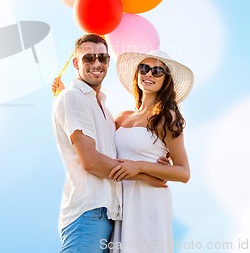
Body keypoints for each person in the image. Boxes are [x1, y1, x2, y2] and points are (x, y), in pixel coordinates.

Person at [52, 34, 168, 253]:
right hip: (88, 212)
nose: (96, 64)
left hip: (109, 214)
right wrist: (145, 175)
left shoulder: (104, 110)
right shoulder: (73, 97)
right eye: (88, 58)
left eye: (103, 58)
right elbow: (91, 161)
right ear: (76, 63)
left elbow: (128, 143)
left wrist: (154, 156)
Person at [108, 49, 194, 253]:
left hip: (148, 201)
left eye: (157, 71)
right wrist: (71, 94)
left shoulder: (167, 117)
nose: (149, 75)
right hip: (120, 201)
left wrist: (140, 167)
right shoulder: (122, 117)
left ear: (166, 81)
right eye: (144, 68)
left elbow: (183, 172)